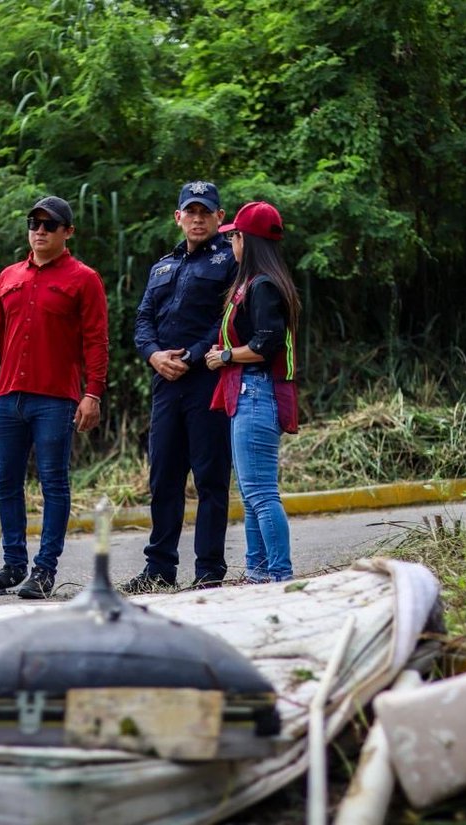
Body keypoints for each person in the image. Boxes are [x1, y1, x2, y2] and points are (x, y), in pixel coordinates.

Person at [0, 195, 109, 599]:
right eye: (34, 223)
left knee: (53, 483)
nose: (40, 231)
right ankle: (13, 566)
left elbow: (96, 341)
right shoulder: (9, 276)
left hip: (55, 400)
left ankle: (44, 570)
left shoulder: (84, 279)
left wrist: (93, 393)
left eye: (50, 225)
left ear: (68, 232)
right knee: (6, 482)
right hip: (8, 397)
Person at [126, 181, 238, 592]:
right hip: (165, 383)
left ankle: (209, 570)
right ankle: (159, 569)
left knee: (210, 478)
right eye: (190, 212)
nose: (197, 218)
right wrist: (154, 355)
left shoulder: (230, 261)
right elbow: (142, 320)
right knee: (164, 478)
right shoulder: (161, 266)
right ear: (178, 217)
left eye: (205, 212)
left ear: (219, 218)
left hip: (206, 380)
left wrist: (189, 356)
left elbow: (228, 318)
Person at [205, 201, 301, 583]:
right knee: (250, 496)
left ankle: (278, 575)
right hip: (249, 392)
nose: (231, 242)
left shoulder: (262, 285)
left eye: (234, 235)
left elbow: (267, 343)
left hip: (256, 392)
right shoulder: (262, 281)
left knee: (260, 493)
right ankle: (258, 573)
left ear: (248, 239)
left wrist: (225, 355)